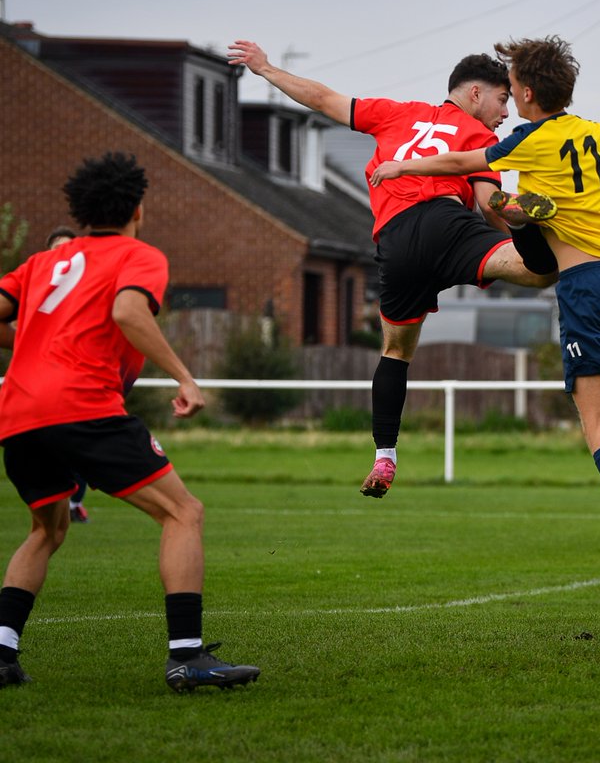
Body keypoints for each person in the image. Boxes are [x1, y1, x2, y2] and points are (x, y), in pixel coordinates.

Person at [371, 35, 600, 601]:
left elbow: (458, 161)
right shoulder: (597, 132)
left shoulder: (528, 140)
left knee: (597, 424)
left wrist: (402, 166)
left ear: (524, 92)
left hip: (586, 286)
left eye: (512, 90)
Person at [228, 40, 558, 499]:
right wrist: (514, 223)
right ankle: (541, 228)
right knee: (542, 271)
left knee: (396, 352)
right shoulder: (482, 139)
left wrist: (265, 70)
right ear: (476, 93)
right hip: (448, 226)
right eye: (504, 100)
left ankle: (385, 456)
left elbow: (322, 99)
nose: (507, 113)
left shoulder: (394, 113)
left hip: (397, 242)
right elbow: (487, 207)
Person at [0, 152, 259, 690]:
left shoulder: (42, 263)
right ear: (138, 208)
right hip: (84, 407)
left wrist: (33, 341)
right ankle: (187, 657)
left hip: (20, 416)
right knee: (183, 513)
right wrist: (185, 376)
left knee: (47, 528)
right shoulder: (138, 255)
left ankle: (1, 652)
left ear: (78, 210)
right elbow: (127, 312)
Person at [0, 226, 92, 525]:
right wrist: (27, 343)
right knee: (181, 509)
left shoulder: (91, 285)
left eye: (69, 248)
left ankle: (75, 501)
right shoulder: (33, 277)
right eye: (57, 249)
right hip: (34, 399)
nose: (62, 255)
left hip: (80, 393)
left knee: (48, 533)